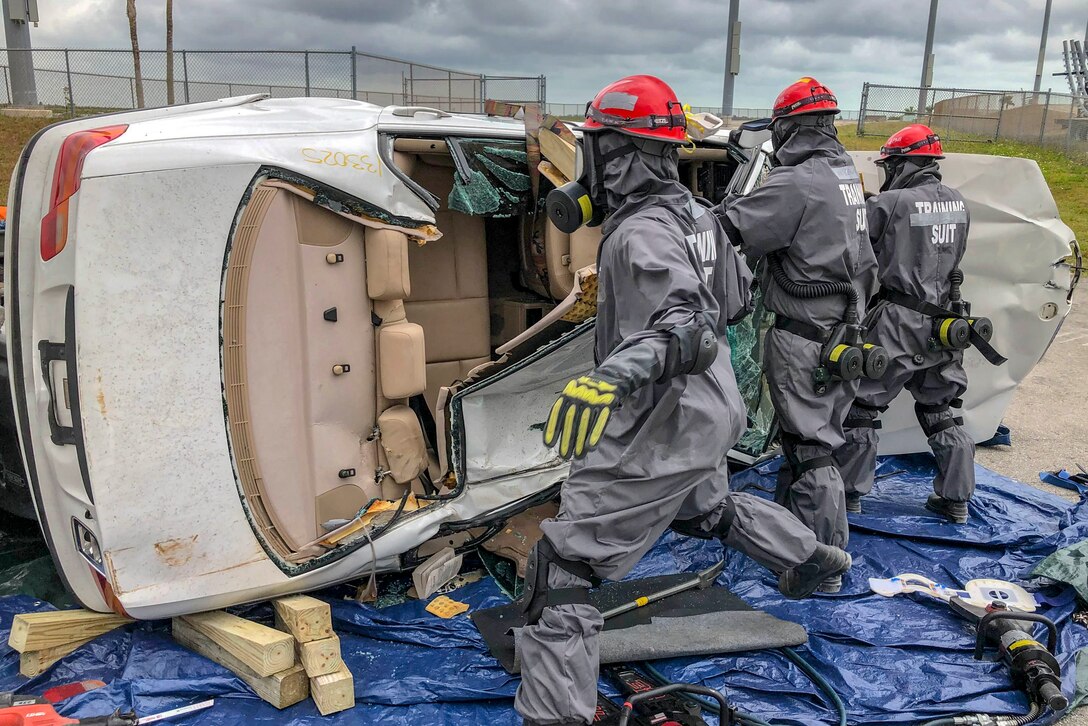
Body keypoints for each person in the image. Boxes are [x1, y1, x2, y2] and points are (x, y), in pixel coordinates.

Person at [513, 74, 852, 726]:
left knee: (566, 565)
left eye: (594, 147)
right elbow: (734, 303)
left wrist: (615, 374)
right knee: (704, 505)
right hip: (713, 401)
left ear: (613, 152)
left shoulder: (641, 234)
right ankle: (810, 556)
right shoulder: (700, 215)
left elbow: (689, 322)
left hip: (659, 412)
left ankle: (555, 714)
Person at [716, 77, 879, 590]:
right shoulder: (844, 175)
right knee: (807, 442)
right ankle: (794, 545)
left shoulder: (797, 182)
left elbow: (728, 229)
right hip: (842, 336)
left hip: (805, 339)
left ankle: (822, 567)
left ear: (787, 127)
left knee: (811, 452)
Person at [834, 124, 986, 523]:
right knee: (941, 408)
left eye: (890, 165)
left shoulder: (889, 202)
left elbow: (854, 247)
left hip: (898, 321)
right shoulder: (958, 202)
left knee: (862, 405)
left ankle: (849, 495)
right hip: (946, 323)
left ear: (901, 163)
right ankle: (956, 500)